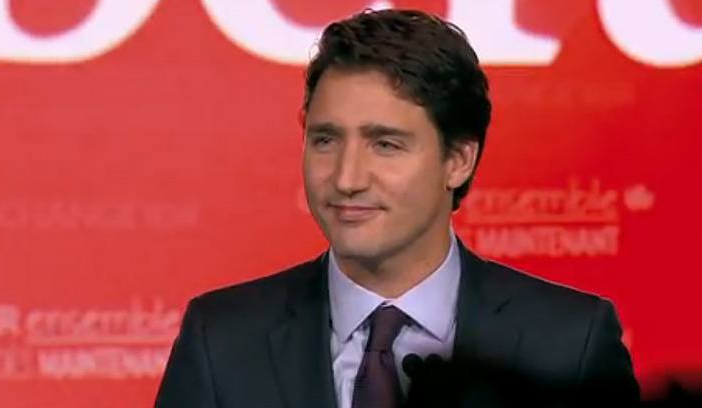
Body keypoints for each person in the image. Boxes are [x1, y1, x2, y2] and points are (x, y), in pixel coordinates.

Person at [155, 8, 639, 408]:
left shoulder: (570, 343)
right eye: (325, 140)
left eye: (385, 145)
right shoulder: (221, 339)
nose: (346, 178)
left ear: (458, 160)